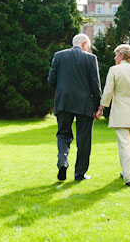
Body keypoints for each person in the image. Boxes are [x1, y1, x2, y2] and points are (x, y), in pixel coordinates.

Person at [48, 34, 102, 181]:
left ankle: (63, 162)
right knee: (84, 139)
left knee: (63, 135)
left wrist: (61, 92)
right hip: (85, 104)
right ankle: (80, 174)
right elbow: (95, 85)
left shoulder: (59, 56)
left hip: (63, 102)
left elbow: (51, 79)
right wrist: (99, 107)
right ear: (84, 44)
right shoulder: (91, 59)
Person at [98, 44, 130, 186]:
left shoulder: (114, 70)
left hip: (120, 112)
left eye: (116, 54)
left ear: (122, 55)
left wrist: (101, 107)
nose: (114, 57)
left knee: (125, 145)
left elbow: (108, 91)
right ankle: (127, 171)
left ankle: (129, 176)